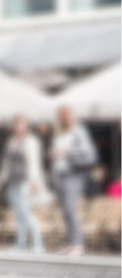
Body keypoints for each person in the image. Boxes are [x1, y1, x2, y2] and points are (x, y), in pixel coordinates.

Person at [0, 114, 46, 253]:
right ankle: (21, 244)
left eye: (22, 124)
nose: (19, 127)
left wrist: (35, 181)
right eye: (17, 124)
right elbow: (5, 164)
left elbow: (35, 163)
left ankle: (38, 243)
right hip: (12, 182)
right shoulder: (11, 141)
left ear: (27, 126)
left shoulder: (31, 141)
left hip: (25, 182)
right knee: (18, 214)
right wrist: (0, 180)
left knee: (27, 213)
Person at [50, 104, 97, 256]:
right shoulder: (58, 133)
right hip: (59, 174)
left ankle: (78, 244)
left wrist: (66, 151)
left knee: (71, 209)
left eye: (67, 114)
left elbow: (88, 153)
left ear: (72, 115)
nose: (65, 117)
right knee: (65, 211)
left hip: (73, 174)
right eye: (62, 114)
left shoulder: (79, 131)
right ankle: (70, 243)